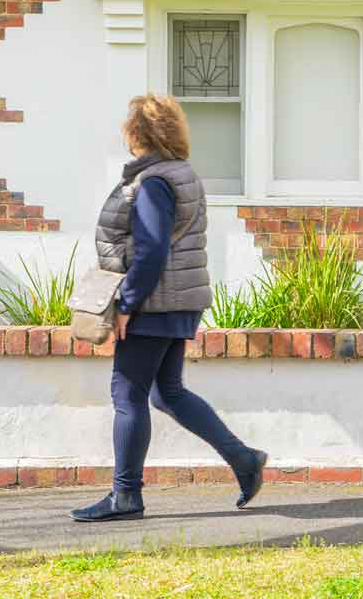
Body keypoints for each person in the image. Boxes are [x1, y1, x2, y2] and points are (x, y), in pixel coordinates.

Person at [70, 94, 268, 522]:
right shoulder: (180, 174)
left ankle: (125, 495)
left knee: (127, 394)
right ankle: (245, 459)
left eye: (129, 126)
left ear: (138, 133)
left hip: (154, 303)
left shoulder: (154, 182)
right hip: (178, 300)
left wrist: (126, 302)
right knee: (167, 392)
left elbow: (153, 247)